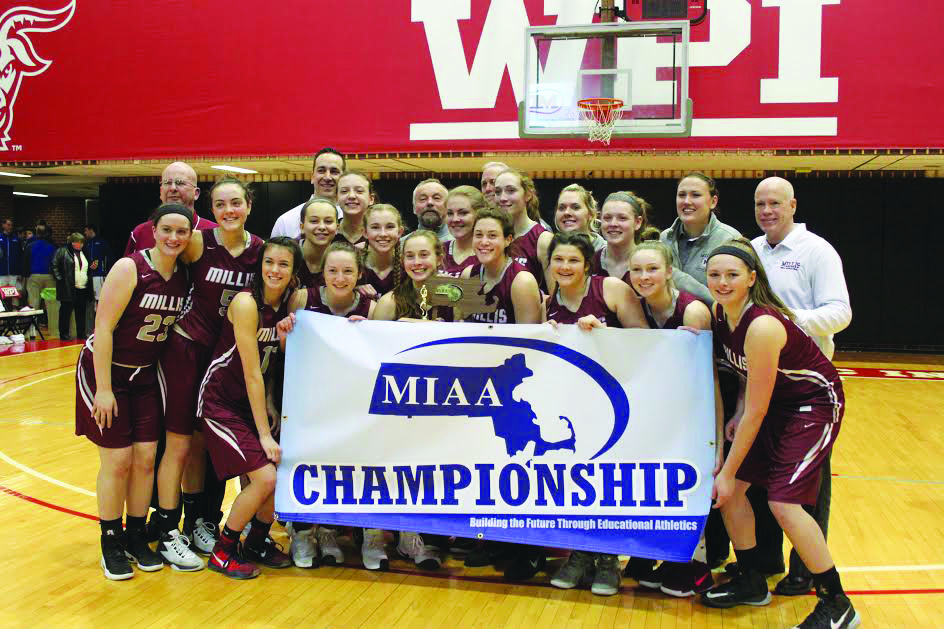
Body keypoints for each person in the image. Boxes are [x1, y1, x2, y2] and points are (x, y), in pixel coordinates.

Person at [699, 239, 859, 629]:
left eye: (732, 275)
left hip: (812, 405)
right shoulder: (722, 313)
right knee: (734, 494)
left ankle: (837, 603)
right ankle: (753, 579)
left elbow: (758, 410)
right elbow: (745, 383)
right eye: (715, 274)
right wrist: (735, 413)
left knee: (782, 504)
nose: (722, 282)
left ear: (752, 278)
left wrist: (727, 469)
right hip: (773, 405)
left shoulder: (763, 325)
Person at [75, 204, 194, 580]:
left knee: (146, 458)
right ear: (153, 230)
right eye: (167, 230)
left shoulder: (183, 276)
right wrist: (105, 389)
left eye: (181, 231)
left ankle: (136, 535)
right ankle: (110, 540)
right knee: (118, 461)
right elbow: (104, 328)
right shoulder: (130, 267)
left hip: (145, 376)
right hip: (106, 373)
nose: (173, 238)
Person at [151, 177, 264, 570]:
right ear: (210, 210)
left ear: (249, 205)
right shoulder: (199, 242)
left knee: (206, 445)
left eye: (236, 203)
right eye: (220, 204)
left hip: (224, 357)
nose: (229, 210)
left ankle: (201, 520)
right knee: (180, 444)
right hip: (186, 349)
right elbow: (157, 265)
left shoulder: (260, 252)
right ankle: (168, 528)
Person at [750, 176, 852, 597]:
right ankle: (769, 557)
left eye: (775, 202)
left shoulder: (817, 251)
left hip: (807, 386)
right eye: (760, 203)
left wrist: (787, 325)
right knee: (762, 478)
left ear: (793, 205)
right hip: (761, 379)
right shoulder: (752, 250)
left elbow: (841, 312)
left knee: (807, 483)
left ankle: (806, 567)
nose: (768, 210)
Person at [543, 231, 648, 597]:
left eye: (573, 260)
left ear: (587, 264)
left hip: (617, 401)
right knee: (578, 481)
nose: (565, 266)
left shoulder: (611, 291)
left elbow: (647, 343)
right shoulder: (549, 301)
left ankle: (608, 560)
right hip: (573, 406)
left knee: (609, 482)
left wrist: (604, 334)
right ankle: (580, 554)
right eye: (559, 260)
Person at [201, 237, 299, 579]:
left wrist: (271, 404)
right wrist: (263, 434)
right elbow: (252, 372)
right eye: (269, 262)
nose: (275, 270)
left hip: (253, 404)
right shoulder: (246, 303)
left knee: (278, 474)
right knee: (265, 476)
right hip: (221, 402)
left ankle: (256, 541)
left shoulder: (288, 304)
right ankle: (223, 551)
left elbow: (274, 367)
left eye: (283, 264)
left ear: (293, 272)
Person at [627, 239, 720, 597]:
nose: (644, 276)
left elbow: (709, 378)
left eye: (652, 269)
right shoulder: (635, 307)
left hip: (696, 407)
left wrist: (715, 437)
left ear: (669, 272)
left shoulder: (693, 311)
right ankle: (663, 554)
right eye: (637, 270)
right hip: (661, 409)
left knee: (693, 483)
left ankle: (698, 566)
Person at [459, 207, 546, 581]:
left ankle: (529, 549)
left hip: (518, 389)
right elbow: (462, 331)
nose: (483, 242)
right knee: (489, 464)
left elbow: (531, 344)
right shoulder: (467, 275)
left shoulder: (520, 280)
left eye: (492, 235)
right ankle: (493, 539)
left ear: (508, 240)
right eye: (479, 234)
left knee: (521, 463)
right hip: (483, 386)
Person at [283, 242, 378, 569]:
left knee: (350, 468)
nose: (340, 277)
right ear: (322, 273)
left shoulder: (371, 306)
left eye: (348, 271)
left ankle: (335, 532)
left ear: (359, 274)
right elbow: (287, 349)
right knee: (306, 466)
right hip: (307, 400)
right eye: (333, 271)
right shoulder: (302, 299)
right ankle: (302, 534)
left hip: (353, 403)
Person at [370, 230, 452, 570]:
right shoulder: (390, 300)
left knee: (432, 469)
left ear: (438, 258)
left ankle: (423, 537)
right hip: (401, 399)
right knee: (399, 466)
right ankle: (395, 534)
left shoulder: (457, 295)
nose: (418, 262)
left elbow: (473, 339)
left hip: (445, 398)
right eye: (410, 256)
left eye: (424, 255)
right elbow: (369, 352)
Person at [660, 173, 741, 303]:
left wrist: (673, 274)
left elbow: (734, 297)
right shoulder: (664, 238)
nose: (686, 201)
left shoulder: (730, 239)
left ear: (713, 202)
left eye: (695, 195)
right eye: (681, 195)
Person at [124, 162, 216, 256]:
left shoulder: (214, 233)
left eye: (180, 183)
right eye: (167, 183)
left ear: (196, 193)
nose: (173, 188)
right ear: (160, 192)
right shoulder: (141, 233)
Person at [493, 168, 552, 289]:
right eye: (498, 192)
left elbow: (554, 296)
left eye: (511, 191)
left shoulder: (543, 239)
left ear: (528, 195)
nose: (502, 198)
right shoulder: (490, 237)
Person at [270, 148, 345, 239]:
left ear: (343, 178)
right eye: (321, 170)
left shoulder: (352, 219)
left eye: (334, 172)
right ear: (312, 177)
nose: (327, 177)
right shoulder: (286, 221)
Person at [592, 191, 659, 285]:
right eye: (607, 218)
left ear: (638, 222)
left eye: (622, 218)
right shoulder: (590, 263)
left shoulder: (653, 263)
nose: (613, 224)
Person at [51, 232, 93, 340]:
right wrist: (60, 279)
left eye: (83, 243)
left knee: (81, 312)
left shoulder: (85, 252)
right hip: (68, 288)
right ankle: (64, 334)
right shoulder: (62, 251)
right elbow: (53, 265)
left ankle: (81, 334)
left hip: (83, 287)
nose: (82, 245)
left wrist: (93, 267)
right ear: (73, 243)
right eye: (80, 242)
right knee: (65, 312)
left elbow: (86, 269)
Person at [358, 204, 403, 298]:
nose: (383, 234)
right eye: (375, 227)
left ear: (399, 232)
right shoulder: (353, 263)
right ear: (365, 232)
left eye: (390, 227)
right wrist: (353, 290)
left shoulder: (408, 266)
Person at [442, 185, 486, 276]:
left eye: (463, 213)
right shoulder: (438, 251)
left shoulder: (488, 253)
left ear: (479, 213)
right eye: (450, 213)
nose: (455, 219)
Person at [297, 197, 339, 289]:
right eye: (314, 221)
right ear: (302, 227)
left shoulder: (347, 257)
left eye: (328, 221)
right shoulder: (288, 252)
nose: (322, 227)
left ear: (337, 228)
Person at [554, 184, 606, 251]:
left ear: (590, 214)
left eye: (575, 207)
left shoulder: (607, 252)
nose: (567, 212)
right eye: (561, 208)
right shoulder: (548, 249)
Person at [334, 170, 374, 246]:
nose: (351, 196)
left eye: (359, 191)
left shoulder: (380, 233)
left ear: (371, 199)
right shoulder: (329, 232)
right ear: (336, 198)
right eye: (344, 191)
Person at [22, 224, 56, 312]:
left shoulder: (30, 246)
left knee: (33, 303)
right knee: (51, 305)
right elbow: (56, 263)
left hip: (34, 277)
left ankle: (33, 325)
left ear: (36, 233)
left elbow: (25, 263)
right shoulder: (53, 246)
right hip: (49, 278)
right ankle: (52, 325)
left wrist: (25, 276)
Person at [0, 218, 22, 306]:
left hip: (14, 272)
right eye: (8, 224)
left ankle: (15, 311)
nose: (10, 227)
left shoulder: (16, 239)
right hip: (1, 272)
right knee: (1, 293)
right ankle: (1, 313)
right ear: (3, 225)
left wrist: (20, 272)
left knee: (15, 293)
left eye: (11, 225)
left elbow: (20, 256)